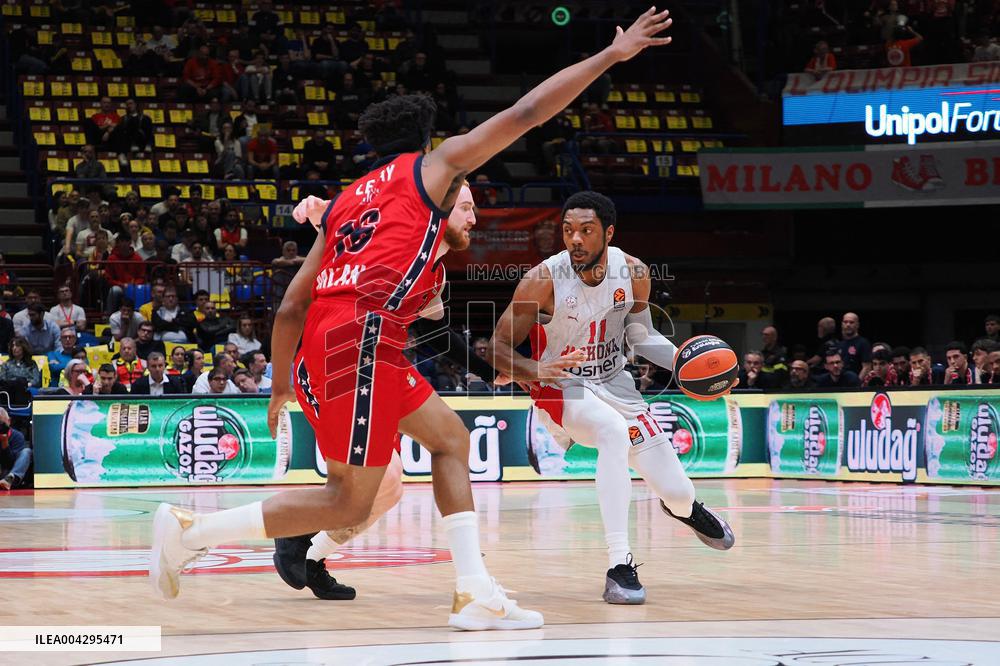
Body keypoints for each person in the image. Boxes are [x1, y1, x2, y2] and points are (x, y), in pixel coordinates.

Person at [148, 9, 676, 629]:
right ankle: (191, 532)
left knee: (450, 441)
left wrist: (285, 382)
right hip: (362, 336)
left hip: (339, 334)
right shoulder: (432, 169)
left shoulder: (347, 200)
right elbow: (527, 113)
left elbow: (293, 301)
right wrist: (609, 58)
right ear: (427, 141)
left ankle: (474, 590)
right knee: (349, 497)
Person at [488, 189, 734, 607]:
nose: (575, 240)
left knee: (677, 491)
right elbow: (496, 348)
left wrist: (682, 361)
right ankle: (620, 565)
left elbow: (639, 335)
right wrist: (534, 371)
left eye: (586, 230)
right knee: (611, 431)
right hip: (560, 384)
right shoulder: (543, 279)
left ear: (609, 233)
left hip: (615, 382)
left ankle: (684, 509)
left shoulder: (634, 271)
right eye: (568, 231)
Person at [0, 407, 31, 490]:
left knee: (26, 451)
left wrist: (5, 444)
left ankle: (9, 480)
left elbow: (10, 463)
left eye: (1, 424)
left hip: (9, 472)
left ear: (9, 421)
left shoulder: (17, 436)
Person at [838, 312, 871, 378]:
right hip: (840, 385)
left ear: (857, 325)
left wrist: (856, 385)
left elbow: (867, 367)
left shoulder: (863, 343)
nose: (848, 324)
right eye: (845, 322)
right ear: (842, 324)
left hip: (855, 385)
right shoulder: (839, 344)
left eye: (851, 322)